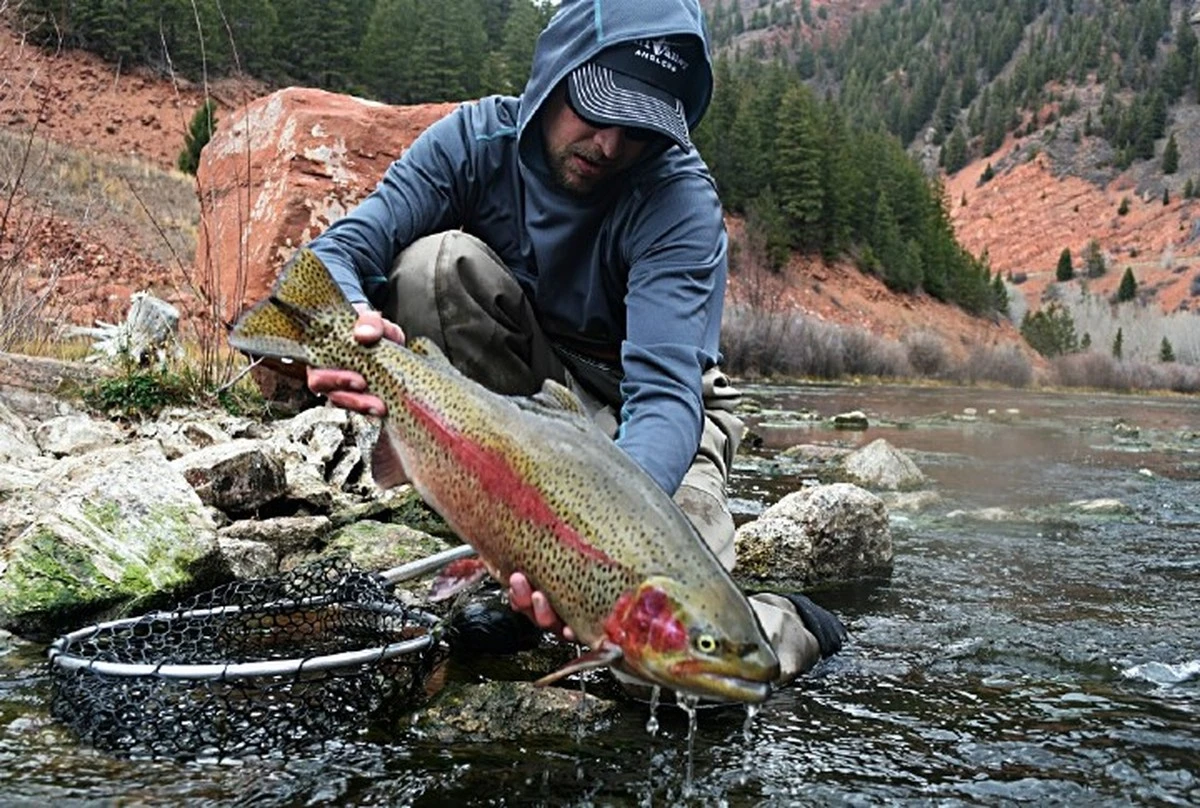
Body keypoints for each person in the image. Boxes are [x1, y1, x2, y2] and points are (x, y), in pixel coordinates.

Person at [301, 0, 845, 686]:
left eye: (639, 128)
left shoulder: (679, 204)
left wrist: (598, 549)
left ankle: (789, 625)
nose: (611, 145)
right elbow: (344, 250)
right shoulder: (472, 142)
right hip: (519, 419)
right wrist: (351, 323)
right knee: (436, 267)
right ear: (554, 74)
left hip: (648, 421)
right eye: (597, 109)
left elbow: (667, 398)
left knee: (667, 663)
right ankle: (506, 567)